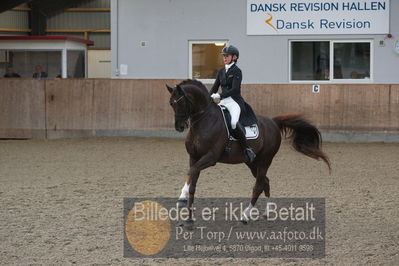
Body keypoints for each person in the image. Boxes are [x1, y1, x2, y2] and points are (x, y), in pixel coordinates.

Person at [209, 45, 257, 163]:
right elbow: (214, 88)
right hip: (223, 101)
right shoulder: (220, 72)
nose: (224, 58)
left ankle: (247, 149)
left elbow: (235, 89)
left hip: (234, 101)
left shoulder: (237, 71)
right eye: (224, 56)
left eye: (227, 56)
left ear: (234, 57)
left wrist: (220, 96)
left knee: (233, 123)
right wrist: (208, 97)